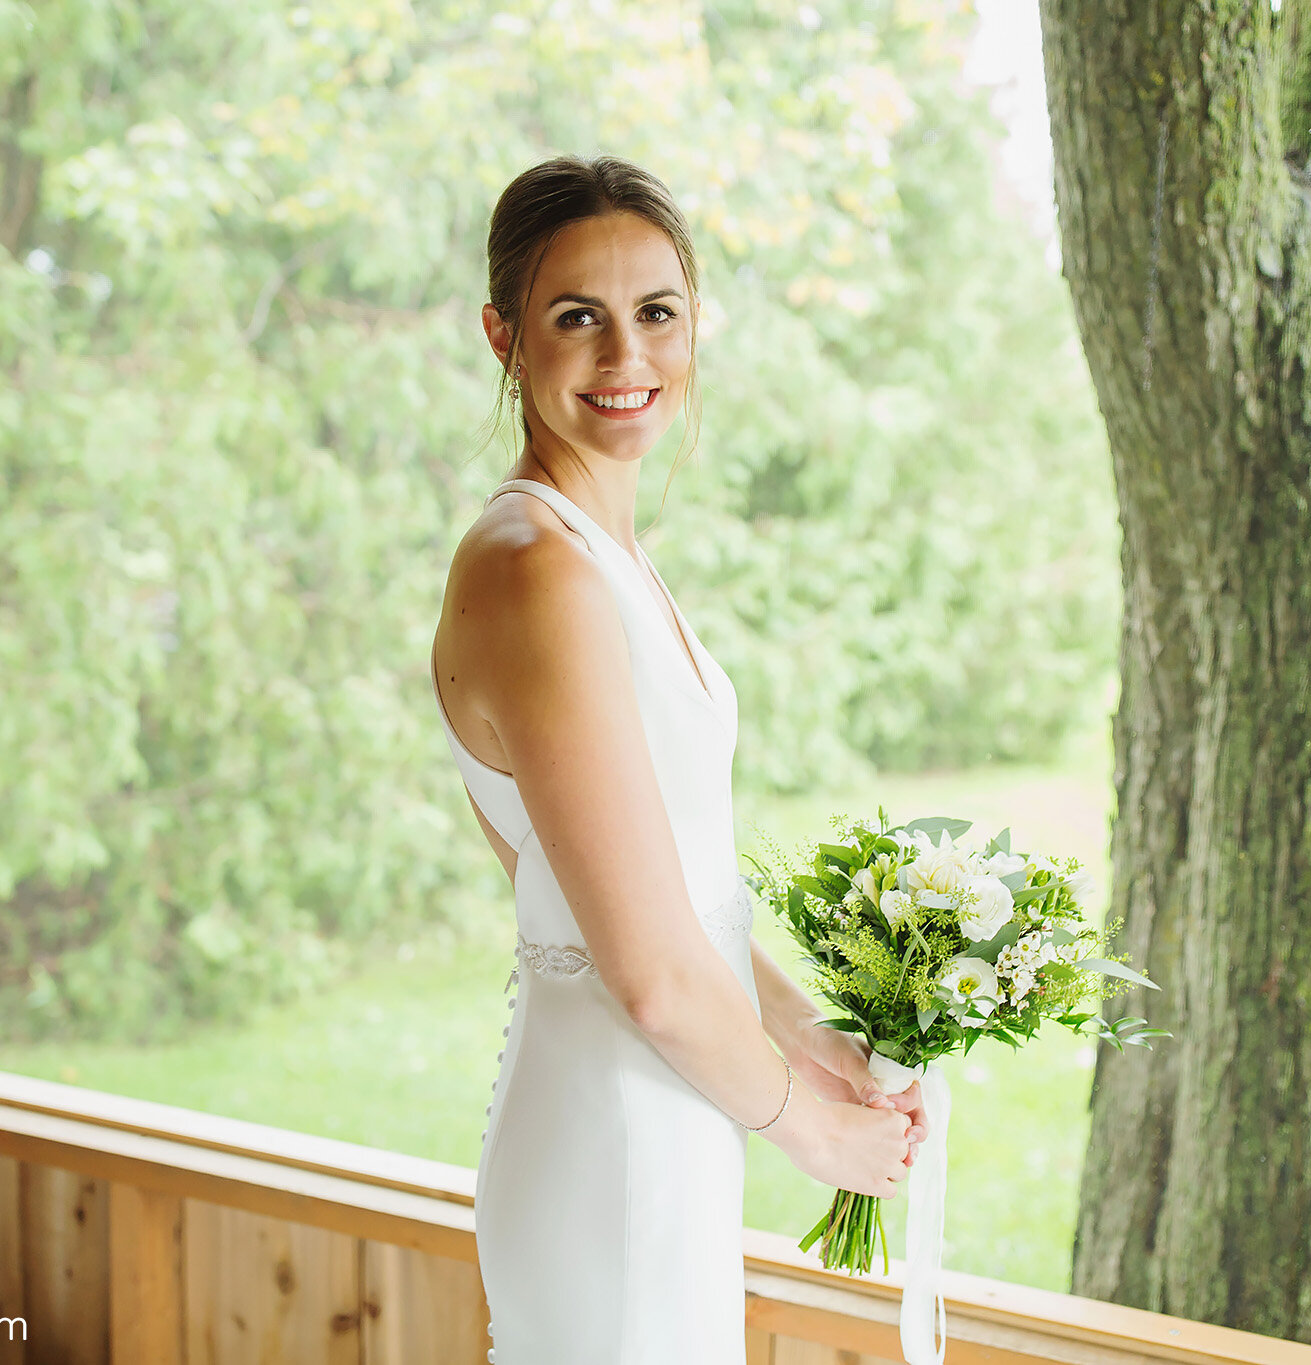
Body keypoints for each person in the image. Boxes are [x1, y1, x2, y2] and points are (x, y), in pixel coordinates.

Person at [429, 153, 929, 1364]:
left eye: (655, 313)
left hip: (665, 1114)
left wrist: (806, 1031)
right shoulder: (531, 569)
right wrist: (810, 1131)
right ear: (503, 336)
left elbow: (665, 890)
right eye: (574, 319)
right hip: (615, 1143)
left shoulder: (597, 553)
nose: (625, 359)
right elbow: (646, 969)